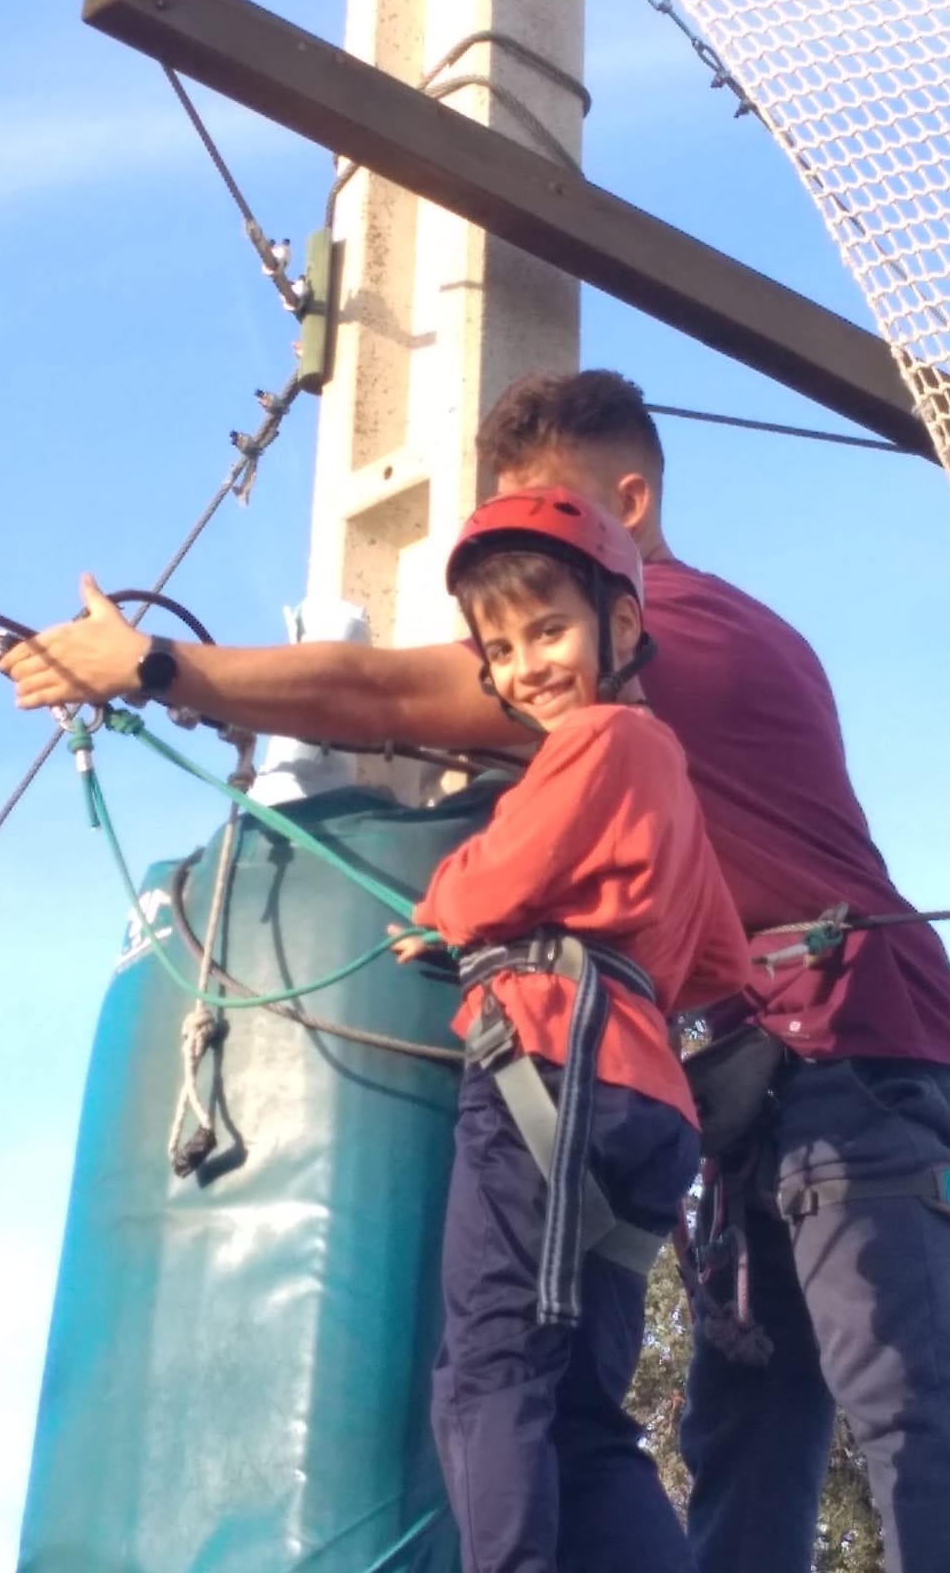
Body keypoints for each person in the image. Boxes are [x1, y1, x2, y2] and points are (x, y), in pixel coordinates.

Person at [3, 369, 950, 1573]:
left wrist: (160, 665)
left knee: (896, 1393)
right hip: (759, 1075)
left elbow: (392, 690)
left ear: (626, 511)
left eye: (550, 524)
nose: (521, 598)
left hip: (863, 1048)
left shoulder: (681, 630)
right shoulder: (636, 696)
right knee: (746, 1433)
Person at [385, 488, 749, 1572]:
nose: (525, 666)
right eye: (500, 648)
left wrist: (443, 907)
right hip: (644, 1105)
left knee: (489, 1370)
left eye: (548, 631)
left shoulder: (598, 737)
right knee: (584, 1417)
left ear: (620, 626)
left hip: (551, 1072)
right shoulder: (668, 776)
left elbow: (495, 878)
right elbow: (722, 960)